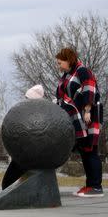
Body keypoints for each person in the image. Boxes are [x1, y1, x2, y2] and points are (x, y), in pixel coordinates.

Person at [55, 47, 103, 197]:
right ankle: (90, 186)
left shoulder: (83, 71)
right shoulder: (66, 76)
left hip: (88, 115)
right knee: (84, 151)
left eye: (60, 62)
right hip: (77, 118)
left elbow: (90, 88)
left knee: (91, 150)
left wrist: (88, 109)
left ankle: (96, 187)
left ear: (68, 60)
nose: (59, 65)